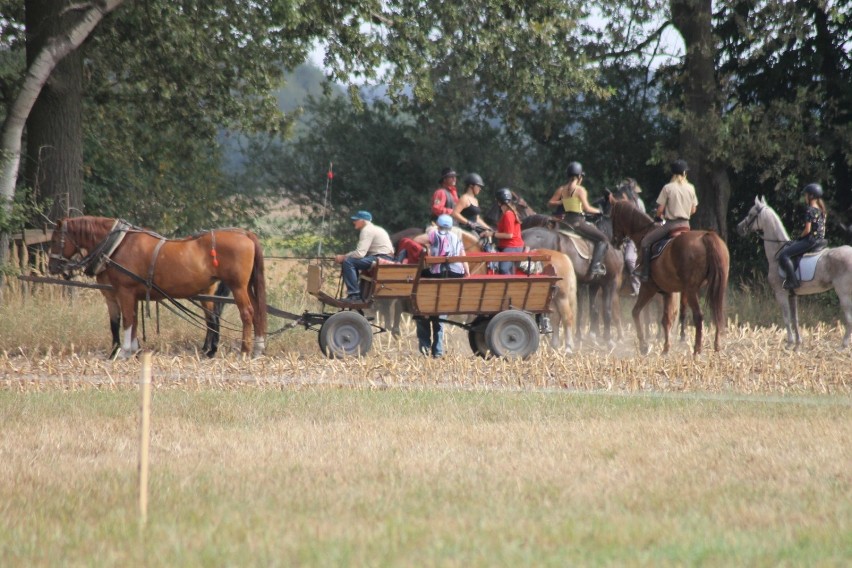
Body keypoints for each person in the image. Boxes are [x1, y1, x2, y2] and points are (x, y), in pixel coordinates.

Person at [413, 214, 469, 357]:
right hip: (456, 274)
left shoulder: (434, 234)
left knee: (421, 279)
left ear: (438, 225)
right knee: (439, 314)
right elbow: (463, 258)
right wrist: (467, 274)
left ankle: (425, 347)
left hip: (440, 273)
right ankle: (437, 351)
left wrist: (427, 245)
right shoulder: (456, 237)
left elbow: (416, 240)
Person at [636, 159, 698, 282]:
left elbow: (660, 210)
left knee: (646, 241)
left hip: (671, 225)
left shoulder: (668, 188)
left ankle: (645, 272)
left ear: (673, 173)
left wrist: (659, 216)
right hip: (686, 225)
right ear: (684, 173)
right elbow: (693, 210)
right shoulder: (691, 188)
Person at [547, 161, 609, 277]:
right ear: (579, 176)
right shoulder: (580, 190)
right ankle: (595, 268)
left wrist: (563, 201)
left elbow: (550, 203)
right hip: (578, 222)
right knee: (603, 239)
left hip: (566, 221)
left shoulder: (562, 189)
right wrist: (600, 212)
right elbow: (587, 208)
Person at [334, 210, 394, 302]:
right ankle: (356, 293)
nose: (354, 222)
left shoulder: (367, 230)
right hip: (382, 256)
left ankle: (354, 295)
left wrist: (344, 257)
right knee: (350, 260)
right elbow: (362, 253)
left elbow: (359, 254)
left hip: (381, 258)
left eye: (356, 220)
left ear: (363, 221)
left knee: (348, 262)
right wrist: (346, 256)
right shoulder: (375, 229)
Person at [778, 183, 827, 290]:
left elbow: (807, 230)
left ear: (811, 196)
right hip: (821, 240)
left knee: (784, 255)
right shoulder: (822, 210)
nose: (805, 197)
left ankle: (792, 282)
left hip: (811, 240)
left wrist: (799, 238)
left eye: (806, 195)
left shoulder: (810, 210)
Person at [615, 178, 645, 295]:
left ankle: (638, 288)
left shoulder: (639, 203)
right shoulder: (619, 204)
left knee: (629, 259)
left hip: (632, 237)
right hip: (619, 237)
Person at [493, 188, 525, 275]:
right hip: (510, 245)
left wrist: (492, 234)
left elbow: (509, 235)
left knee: (503, 269)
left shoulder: (508, 214)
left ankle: (510, 287)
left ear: (499, 202)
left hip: (513, 246)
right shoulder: (507, 213)